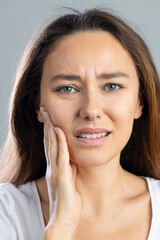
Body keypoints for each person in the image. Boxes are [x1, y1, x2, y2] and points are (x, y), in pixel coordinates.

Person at [0, 7, 160, 240]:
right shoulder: (6, 213)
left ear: (140, 102)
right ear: (37, 106)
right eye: (67, 88)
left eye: (112, 86)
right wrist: (61, 226)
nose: (91, 110)